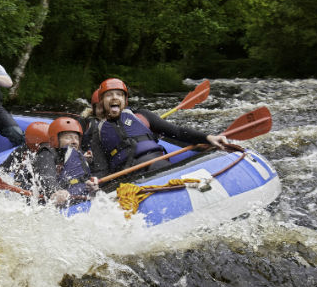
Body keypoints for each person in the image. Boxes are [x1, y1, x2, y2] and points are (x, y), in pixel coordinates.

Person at [89, 78, 230, 177]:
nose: (114, 98)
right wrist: (95, 183)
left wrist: (207, 138)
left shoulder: (142, 116)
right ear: (101, 102)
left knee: (158, 166)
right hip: (129, 176)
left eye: (119, 94)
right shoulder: (97, 132)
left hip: (156, 164)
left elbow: (177, 132)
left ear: (125, 101)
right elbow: (102, 169)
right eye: (109, 95)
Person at [33, 117, 99, 207]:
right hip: (56, 203)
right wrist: (55, 191)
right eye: (68, 138)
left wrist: (91, 184)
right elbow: (47, 178)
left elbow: (82, 178)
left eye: (76, 138)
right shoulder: (46, 153)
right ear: (55, 139)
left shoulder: (79, 155)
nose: (74, 142)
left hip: (79, 198)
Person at [80, 88, 104, 152]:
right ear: (94, 109)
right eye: (99, 107)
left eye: (105, 107)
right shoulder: (85, 121)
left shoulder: (120, 121)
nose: (102, 111)